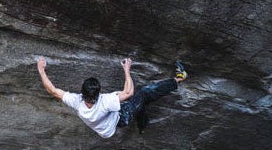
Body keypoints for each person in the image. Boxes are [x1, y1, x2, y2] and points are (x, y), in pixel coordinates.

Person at [36, 56, 187, 138]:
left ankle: (142, 125)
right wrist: (127, 70)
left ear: (82, 93)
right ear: (99, 92)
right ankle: (179, 78)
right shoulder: (105, 101)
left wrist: (41, 70)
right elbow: (129, 93)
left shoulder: (77, 102)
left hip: (106, 129)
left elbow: (53, 91)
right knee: (144, 93)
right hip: (121, 118)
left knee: (139, 104)